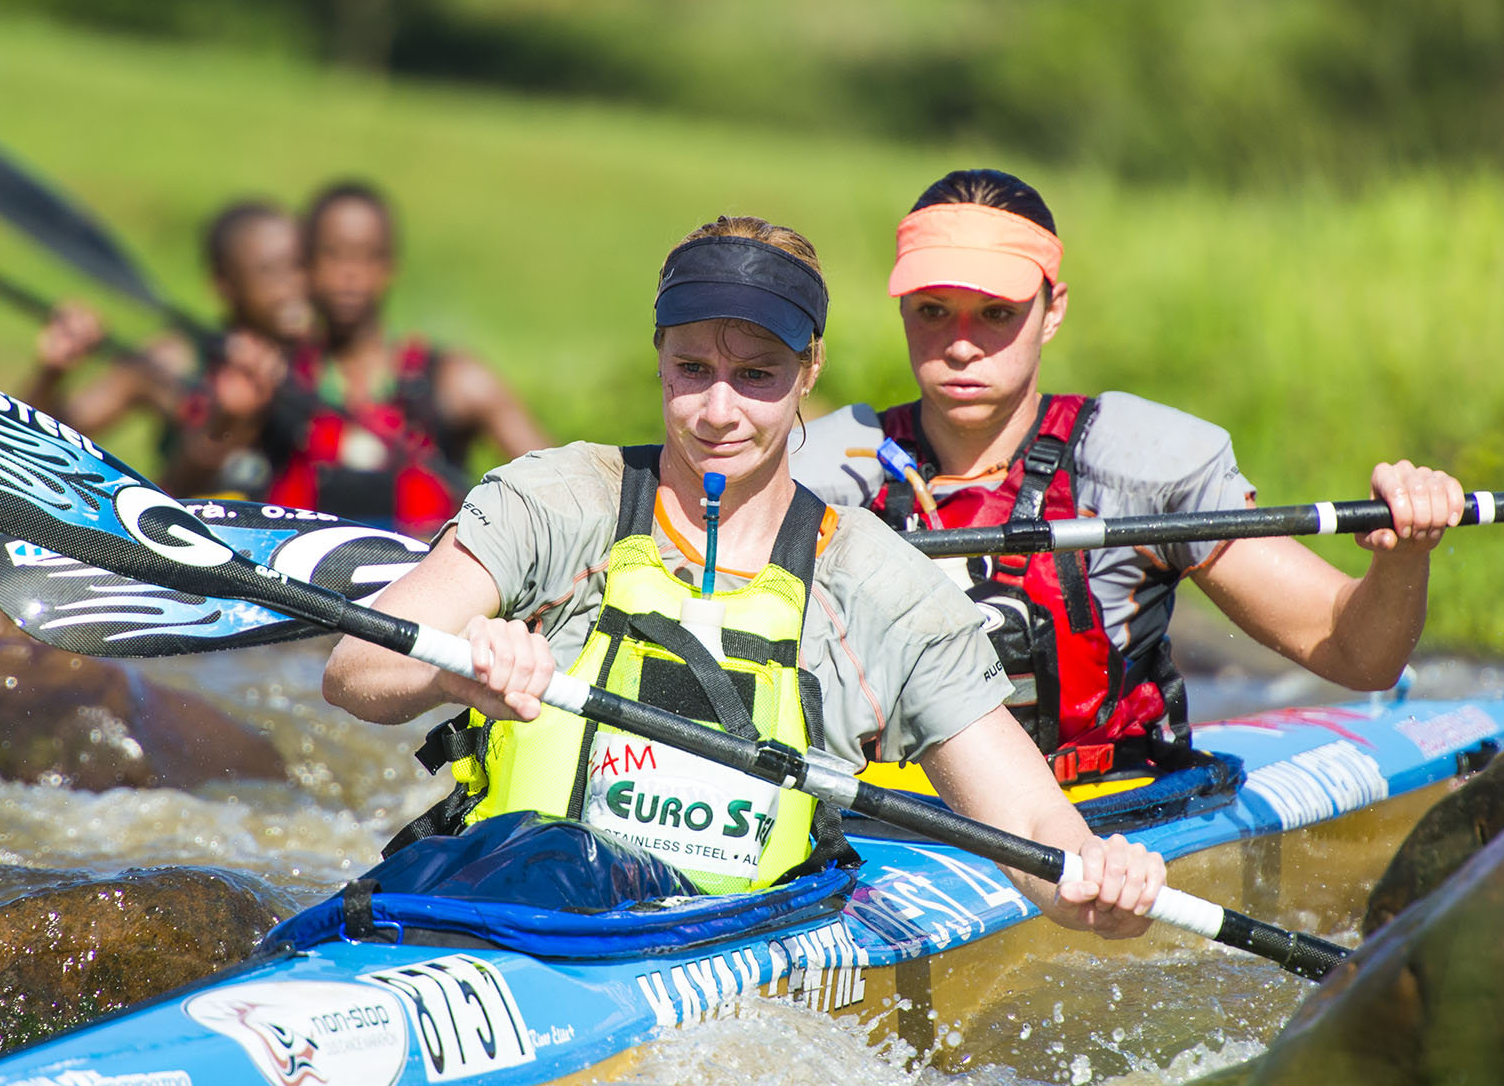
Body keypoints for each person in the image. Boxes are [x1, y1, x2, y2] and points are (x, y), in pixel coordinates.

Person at [321, 216, 1164, 936]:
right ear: (659, 357)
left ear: (809, 370)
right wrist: (456, 668)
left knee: (573, 868)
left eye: (757, 376)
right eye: (692, 369)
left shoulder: (882, 587)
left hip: (722, 935)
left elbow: (1028, 824)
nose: (717, 411)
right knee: (553, 860)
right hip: (494, 904)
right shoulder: (559, 499)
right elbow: (355, 671)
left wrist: (1097, 884)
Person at [792, 169, 1465, 782]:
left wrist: (1403, 559)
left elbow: (1355, 653)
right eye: (932, 310)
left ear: (1052, 310)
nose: (961, 344)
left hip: (1115, 820)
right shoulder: (812, 476)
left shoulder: (1140, 466)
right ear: (901, 309)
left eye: (997, 313)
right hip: (887, 830)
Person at [165, 181, 547, 529]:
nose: (349, 273)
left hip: (422, 598)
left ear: (390, 266)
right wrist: (228, 423)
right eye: (333, 254)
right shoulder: (271, 378)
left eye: (367, 256)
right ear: (306, 266)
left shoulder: (455, 382)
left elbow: (559, 493)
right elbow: (173, 501)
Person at [23, 200, 308, 490]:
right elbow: (40, 448)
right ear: (223, 284)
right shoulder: (172, 363)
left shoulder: (327, 363)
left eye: (300, 265)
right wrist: (51, 373)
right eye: (269, 271)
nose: (293, 285)